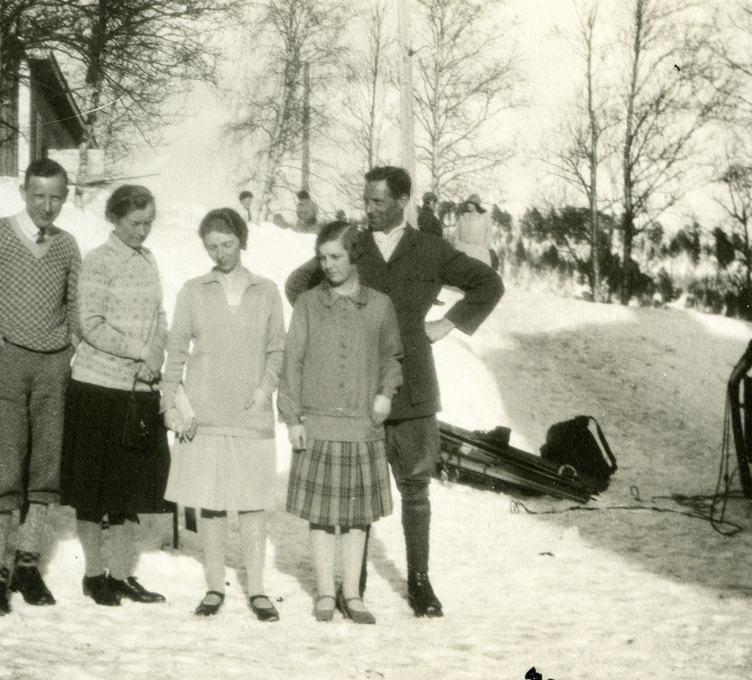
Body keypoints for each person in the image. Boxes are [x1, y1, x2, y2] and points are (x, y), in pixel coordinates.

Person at [284, 166, 504, 618]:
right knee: (357, 489)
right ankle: (354, 581)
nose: (368, 208)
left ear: (403, 200)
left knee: (416, 490)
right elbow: (297, 286)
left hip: (415, 389)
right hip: (361, 393)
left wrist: (448, 322)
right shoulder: (353, 244)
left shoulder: (431, 248)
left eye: (378, 201)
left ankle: (419, 582)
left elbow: (489, 283)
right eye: (365, 200)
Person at [161, 208, 286, 622]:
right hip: (206, 411)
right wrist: (171, 403)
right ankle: (215, 586)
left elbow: (276, 350)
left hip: (251, 412)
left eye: (227, 244)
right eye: (212, 246)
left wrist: (263, 391)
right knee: (211, 503)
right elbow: (176, 351)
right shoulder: (194, 290)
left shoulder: (266, 291)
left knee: (252, 503)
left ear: (242, 241)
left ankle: (257, 590)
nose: (221, 253)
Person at [279, 221, 403, 625]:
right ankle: (326, 593)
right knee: (321, 515)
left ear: (354, 257)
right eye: (322, 257)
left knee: (356, 518)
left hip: (362, 425)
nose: (328, 265)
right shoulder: (309, 305)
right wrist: (293, 417)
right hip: (317, 424)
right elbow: (291, 363)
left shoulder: (380, 305)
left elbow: (391, 358)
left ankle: (353, 593)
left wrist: (385, 393)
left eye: (336, 257)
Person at [0, 157, 80, 615]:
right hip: (6, 363)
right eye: (39, 195)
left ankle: (28, 565)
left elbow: (76, 302)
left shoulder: (67, 245)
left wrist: (70, 343)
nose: (47, 205)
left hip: (54, 366)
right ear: (23, 191)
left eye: (56, 196)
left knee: (45, 469)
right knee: (3, 468)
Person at [61, 184, 172, 606]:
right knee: (93, 487)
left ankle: (122, 574)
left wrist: (156, 353)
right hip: (98, 388)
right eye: (134, 223)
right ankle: (94, 574)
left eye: (148, 223)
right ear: (115, 218)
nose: (142, 231)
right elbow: (91, 323)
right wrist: (138, 351)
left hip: (138, 389)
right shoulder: (99, 261)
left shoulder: (149, 260)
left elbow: (160, 315)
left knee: (127, 489)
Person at [451, 194, 493, 266]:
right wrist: (458, 246)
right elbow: (456, 234)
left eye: (471, 203)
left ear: (476, 205)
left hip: (479, 253)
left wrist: (484, 247)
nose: (469, 205)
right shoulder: (462, 217)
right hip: (463, 251)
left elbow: (489, 233)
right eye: (468, 203)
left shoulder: (484, 217)